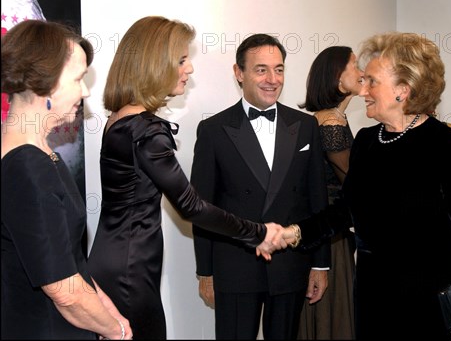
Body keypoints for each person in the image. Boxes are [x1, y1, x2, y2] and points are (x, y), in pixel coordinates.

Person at [283, 32, 451, 340]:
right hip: (373, 290)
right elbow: (346, 210)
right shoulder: (368, 141)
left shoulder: (447, 144)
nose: (363, 91)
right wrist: (295, 232)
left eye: (372, 82)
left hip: (428, 293)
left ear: (402, 90)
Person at [86, 17, 287, 340]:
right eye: (181, 60)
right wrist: (258, 233)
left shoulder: (120, 119)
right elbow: (192, 206)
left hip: (114, 261)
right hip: (131, 271)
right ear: (155, 63)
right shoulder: (146, 130)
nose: (189, 69)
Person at [190, 33, 330, 340]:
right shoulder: (213, 130)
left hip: (290, 263)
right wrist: (206, 271)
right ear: (239, 73)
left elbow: (317, 198)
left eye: (279, 69)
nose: (272, 79)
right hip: (235, 265)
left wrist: (321, 265)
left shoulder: (306, 125)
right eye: (261, 69)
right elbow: (203, 209)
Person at [1, 19, 133, 340]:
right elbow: (64, 290)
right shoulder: (27, 166)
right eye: (78, 79)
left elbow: (73, 264)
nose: (85, 91)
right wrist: (115, 331)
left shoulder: (40, 153)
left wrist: (111, 317)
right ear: (45, 83)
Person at [296, 46, 363, 339]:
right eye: (356, 65)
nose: (363, 73)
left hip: (328, 233)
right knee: (333, 320)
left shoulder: (326, 118)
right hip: (330, 239)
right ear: (338, 78)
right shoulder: (331, 123)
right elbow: (361, 184)